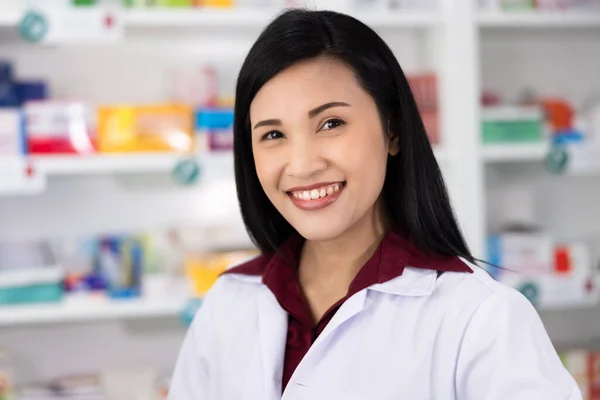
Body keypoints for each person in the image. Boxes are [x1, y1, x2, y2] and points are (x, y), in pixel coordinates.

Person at [168, 9, 581, 400]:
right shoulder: (228, 303)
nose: (303, 165)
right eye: (273, 135)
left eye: (331, 123)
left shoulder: (482, 318)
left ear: (393, 130)